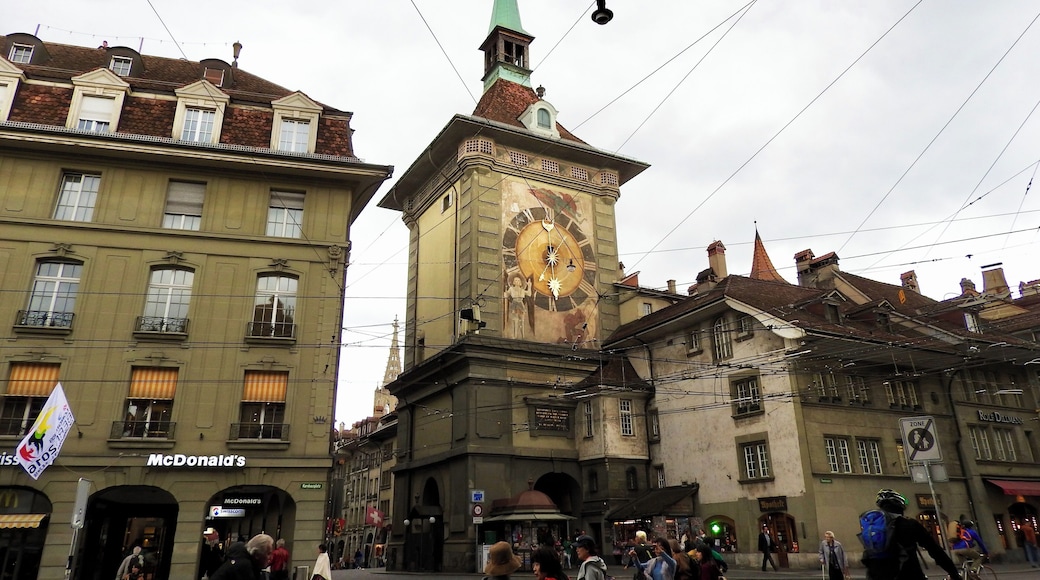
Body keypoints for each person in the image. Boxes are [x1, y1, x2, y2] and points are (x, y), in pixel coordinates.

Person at [865, 489, 960, 580]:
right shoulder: (910, 524)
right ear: (900, 508)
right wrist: (954, 574)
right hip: (909, 575)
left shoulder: (872, 528)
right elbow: (935, 550)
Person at [210, 534, 274, 580]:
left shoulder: (240, 560)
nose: (270, 558)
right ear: (257, 554)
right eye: (268, 554)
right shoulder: (244, 568)